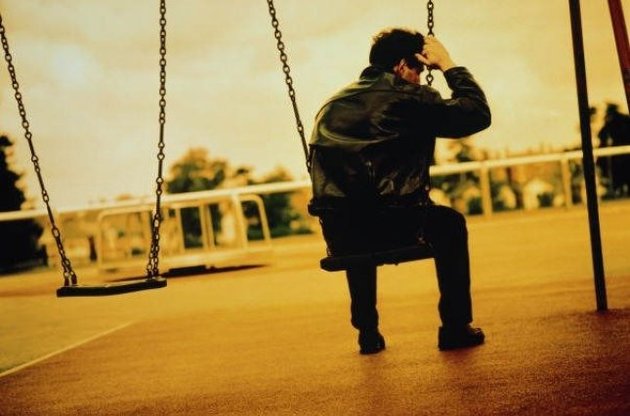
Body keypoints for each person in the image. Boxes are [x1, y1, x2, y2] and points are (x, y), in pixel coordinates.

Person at [308, 28, 491, 354]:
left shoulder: (331, 105)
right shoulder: (408, 98)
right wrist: (447, 64)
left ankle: (367, 330)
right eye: (418, 69)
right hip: (399, 225)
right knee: (450, 224)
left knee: (353, 212)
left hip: (341, 233)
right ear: (401, 66)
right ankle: (455, 327)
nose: (419, 78)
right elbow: (477, 114)